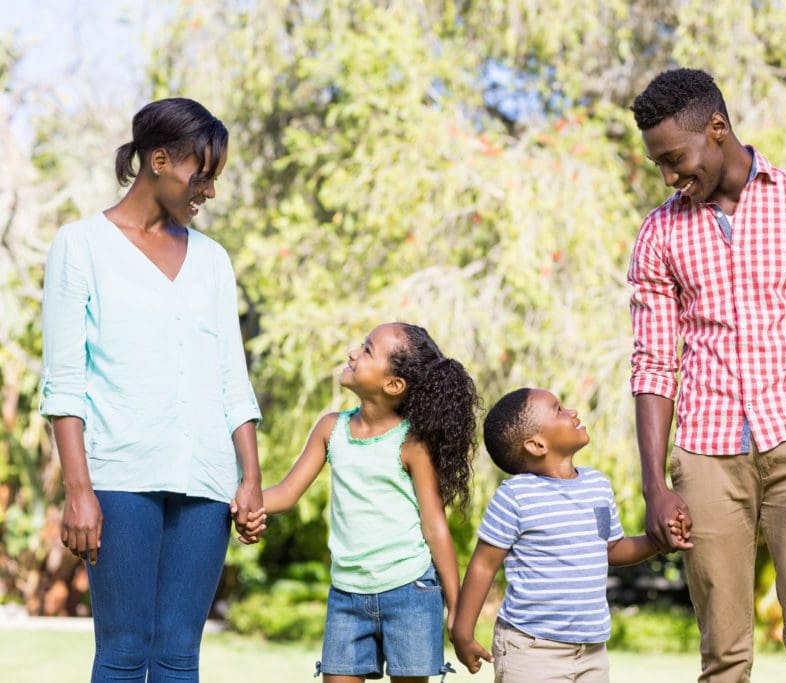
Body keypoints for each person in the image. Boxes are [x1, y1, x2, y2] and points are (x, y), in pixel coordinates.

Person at [627, 68, 786, 682]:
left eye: (674, 158)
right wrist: (654, 485)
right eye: (657, 163)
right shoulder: (660, 233)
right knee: (723, 655)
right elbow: (654, 364)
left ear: (717, 129)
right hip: (706, 455)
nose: (668, 176)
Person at [39, 98, 264, 682]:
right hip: (118, 479)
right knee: (122, 653)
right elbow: (66, 382)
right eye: (202, 174)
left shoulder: (213, 261)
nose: (209, 191)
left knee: (177, 658)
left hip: (206, 482)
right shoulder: (80, 245)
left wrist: (251, 480)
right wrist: (78, 490)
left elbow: (230, 378)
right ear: (159, 160)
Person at [239, 322, 476, 682]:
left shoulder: (411, 443)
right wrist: (240, 504)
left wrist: (457, 610)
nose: (353, 353)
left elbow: (435, 527)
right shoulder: (330, 429)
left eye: (367, 350)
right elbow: (286, 494)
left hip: (410, 592)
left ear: (393, 385)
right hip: (347, 597)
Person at [452, 387, 676, 683]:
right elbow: (483, 565)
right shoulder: (516, 496)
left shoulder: (598, 486)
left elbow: (611, 549)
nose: (573, 412)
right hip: (531, 651)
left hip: (591, 651)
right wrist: (462, 632)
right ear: (536, 445)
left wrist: (658, 543)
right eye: (559, 409)